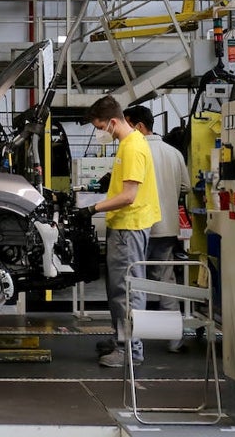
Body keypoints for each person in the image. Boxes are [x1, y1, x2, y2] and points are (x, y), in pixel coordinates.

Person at [85, 94, 161, 368]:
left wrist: (93, 209)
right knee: (117, 288)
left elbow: (129, 196)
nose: (99, 133)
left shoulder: (131, 148)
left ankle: (131, 349)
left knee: (127, 291)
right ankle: (121, 338)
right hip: (124, 225)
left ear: (113, 121)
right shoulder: (127, 144)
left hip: (130, 225)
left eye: (99, 127)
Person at [122, 105, 191, 353]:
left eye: (126, 124)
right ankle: (175, 341)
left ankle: (132, 342)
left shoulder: (134, 150)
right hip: (167, 228)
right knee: (165, 281)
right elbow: (185, 187)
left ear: (139, 126)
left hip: (139, 226)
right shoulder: (173, 153)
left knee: (134, 282)